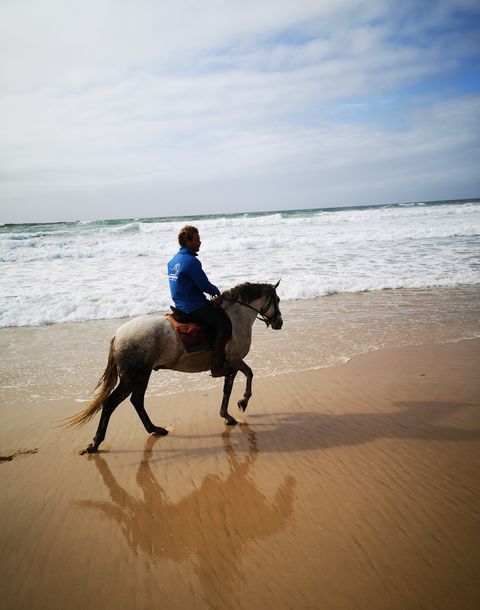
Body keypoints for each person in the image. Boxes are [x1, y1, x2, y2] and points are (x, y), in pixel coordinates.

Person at [167, 225, 232, 377]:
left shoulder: (173, 261)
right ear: (188, 241)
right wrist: (216, 291)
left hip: (180, 304)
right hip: (193, 306)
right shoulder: (191, 262)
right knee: (224, 325)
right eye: (197, 239)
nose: (200, 242)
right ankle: (217, 366)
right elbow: (204, 285)